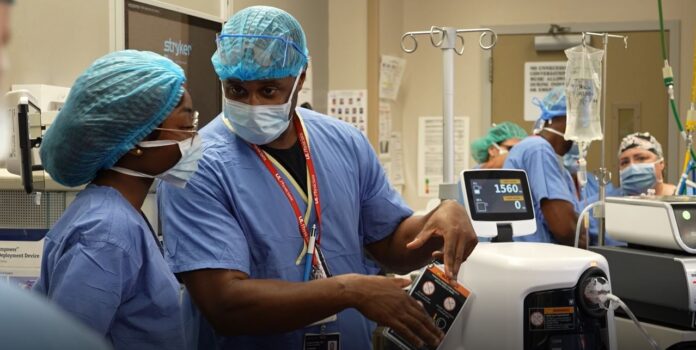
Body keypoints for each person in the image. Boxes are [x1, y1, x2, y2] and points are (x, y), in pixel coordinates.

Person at [158, 6, 477, 350]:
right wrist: (349, 290)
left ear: (301, 77)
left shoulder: (343, 142)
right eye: (236, 90)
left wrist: (439, 221)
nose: (252, 104)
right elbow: (225, 303)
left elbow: (388, 243)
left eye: (269, 91)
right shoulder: (195, 165)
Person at [34, 50, 201, 349]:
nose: (193, 139)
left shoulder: (117, 215)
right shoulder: (106, 234)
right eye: (186, 126)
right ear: (136, 140)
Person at [503, 87, 586, 247]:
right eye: (580, 120)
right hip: (535, 259)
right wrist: (578, 231)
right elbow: (564, 228)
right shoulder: (538, 149)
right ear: (567, 118)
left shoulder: (551, 159)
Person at [618, 132, 676, 196]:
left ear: (661, 163)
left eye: (641, 158)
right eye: (625, 162)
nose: (632, 166)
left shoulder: (684, 195)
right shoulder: (613, 202)